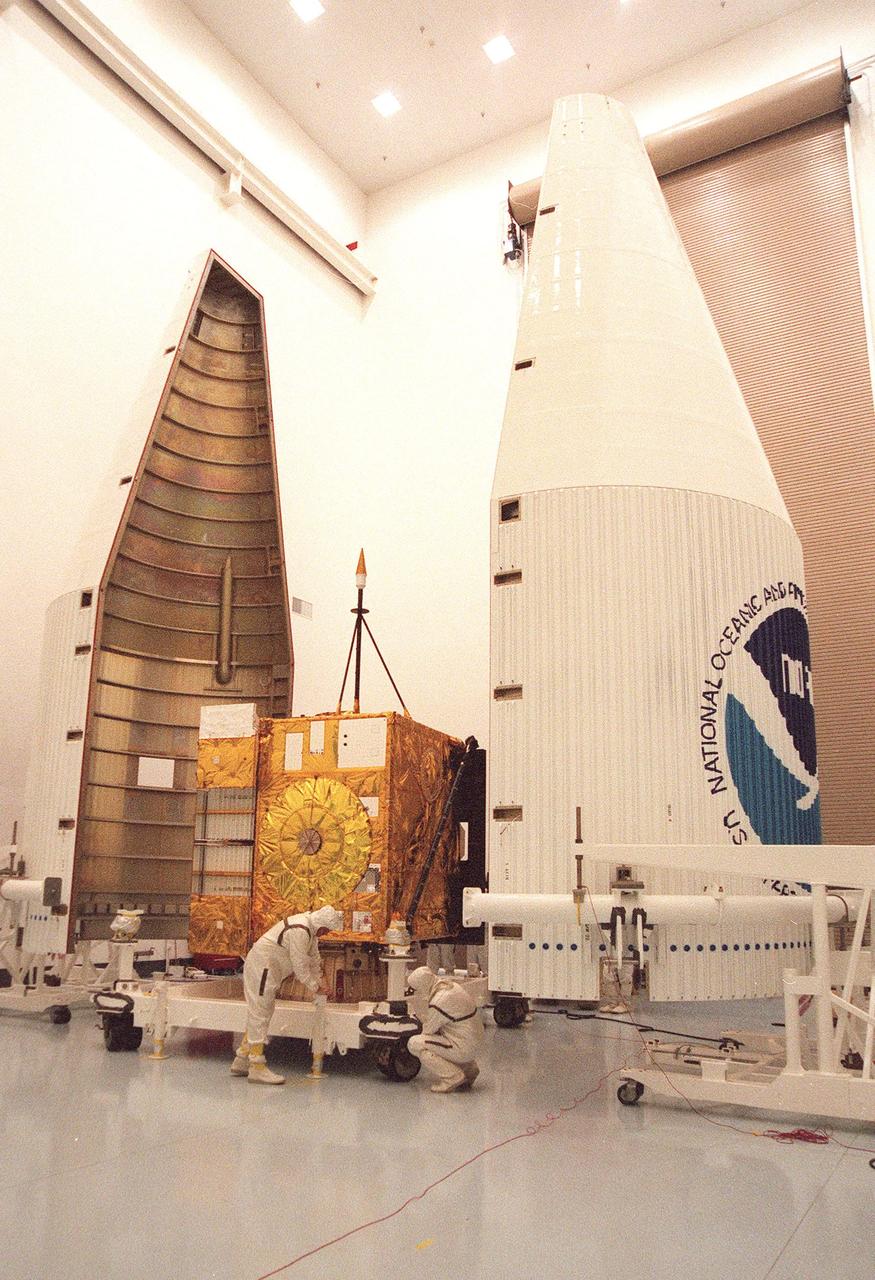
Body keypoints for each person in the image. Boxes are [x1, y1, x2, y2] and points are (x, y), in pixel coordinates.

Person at [231, 905, 343, 1084]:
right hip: (262, 968)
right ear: (320, 924)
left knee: (263, 1012)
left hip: (269, 969)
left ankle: (242, 1059)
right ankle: (256, 1067)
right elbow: (300, 967)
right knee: (260, 1013)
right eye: (326, 930)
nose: (326, 933)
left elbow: (314, 960)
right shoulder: (300, 930)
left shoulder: (310, 931)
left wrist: (322, 984)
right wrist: (316, 987)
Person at [405, 965, 484, 1093]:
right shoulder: (451, 986)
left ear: (422, 985)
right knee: (443, 1038)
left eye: (416, 988)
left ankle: (452, 1077)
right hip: (475, 1041)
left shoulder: (438, 1001)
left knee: (415, 1043)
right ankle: (469, 1069)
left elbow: (428, 1031)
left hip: (464, 1046)